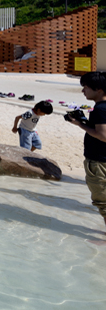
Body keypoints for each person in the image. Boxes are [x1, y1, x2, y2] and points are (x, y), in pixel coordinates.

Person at [65, 71, 106, 233]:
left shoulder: (100, 110)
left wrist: (79, 124)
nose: (83, 91)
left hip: (99, 161)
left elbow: (103, 135)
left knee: (102, 201)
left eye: (86, 87)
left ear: (99, 90)